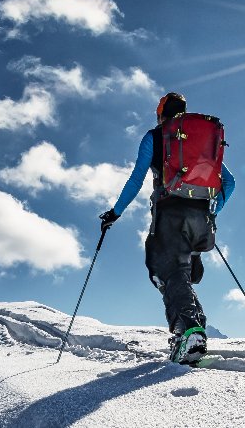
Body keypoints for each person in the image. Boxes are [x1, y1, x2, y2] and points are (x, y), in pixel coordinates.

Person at [99, 92, 235, 364]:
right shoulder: (201, 141)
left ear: (161, 113)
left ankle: (189, 331)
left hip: (170, 215)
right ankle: (195, 329)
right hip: (201, 220)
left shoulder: (156, 136)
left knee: (165, 272)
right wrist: (212, 210)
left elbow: (137, 178)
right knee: (182, 275)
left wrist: (115, 213)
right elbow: (229, 183)